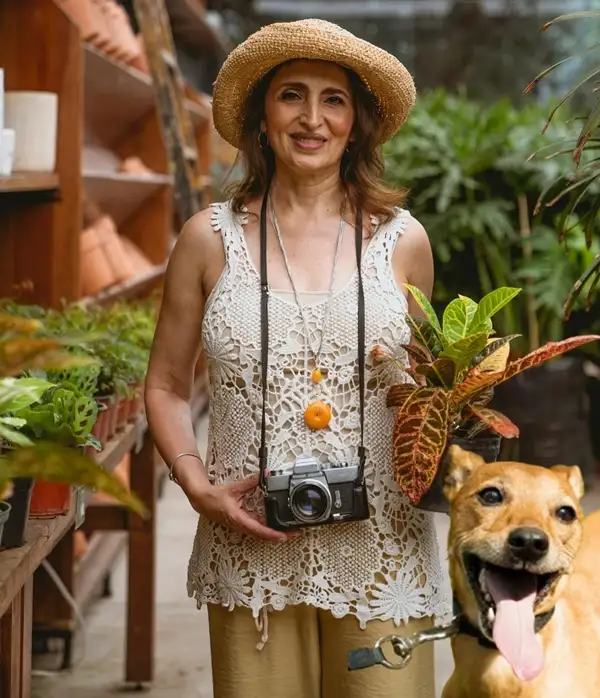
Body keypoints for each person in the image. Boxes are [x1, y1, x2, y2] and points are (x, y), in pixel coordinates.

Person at [145, 18, 446, 698]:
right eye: (291, 95)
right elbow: (164, 383)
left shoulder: (404, 242)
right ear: (261, 117)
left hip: (382, 548)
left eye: (333, 99)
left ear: (357, 122)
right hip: (251, 543)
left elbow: (428, 391)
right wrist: (195, 484)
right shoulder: (207, 239)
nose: (313, 118)